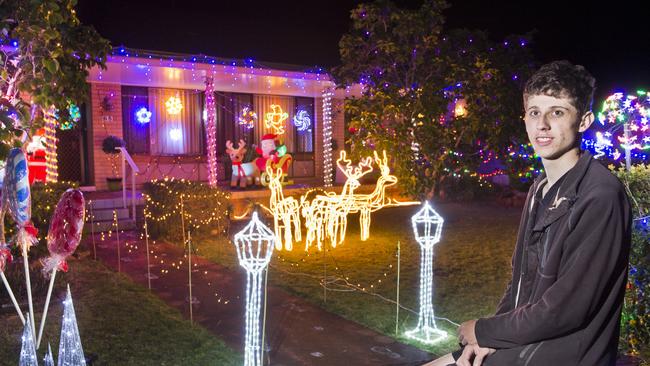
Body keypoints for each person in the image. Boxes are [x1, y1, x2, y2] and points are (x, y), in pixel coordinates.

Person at [426, 60, 632, 366]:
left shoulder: (600, 195)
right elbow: (520, 282)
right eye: (535, 112)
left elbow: (566, 310)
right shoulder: (540, 188)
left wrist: (482, 330)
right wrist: (489, 339)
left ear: (585, 120)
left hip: (563, 354)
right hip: (526, 345)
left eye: (557, 112)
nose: (543, 124)